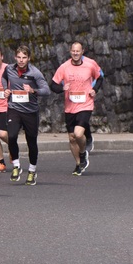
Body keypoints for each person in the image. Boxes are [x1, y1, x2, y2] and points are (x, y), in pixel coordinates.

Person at [50, 41, 102, 176]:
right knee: (72, 138)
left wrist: (94, 89)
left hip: (86, 104)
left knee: (78, 134)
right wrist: (62, 88)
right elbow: (53, 85)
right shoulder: (64, 67)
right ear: (70, 51)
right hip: (70, 106)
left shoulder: (90, 64)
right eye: (73, 51)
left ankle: (83, 152)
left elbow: (100, 77)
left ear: (82, 51)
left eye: (78, 51)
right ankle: (79, 164)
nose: (75, 53)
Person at [1, 45, 50, 185]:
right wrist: (6, 89)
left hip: (30, 112)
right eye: (19, 57)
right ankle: (16, 165)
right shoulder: (9, 69)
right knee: (11, 136)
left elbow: (46, 90)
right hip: (14, 108)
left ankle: (32, 170)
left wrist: (33, 90)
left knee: (31, 142)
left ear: (28, 58)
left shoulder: (35, 73)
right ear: (15, 57)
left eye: (24, 58)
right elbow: (4, 78)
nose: (21, 60)